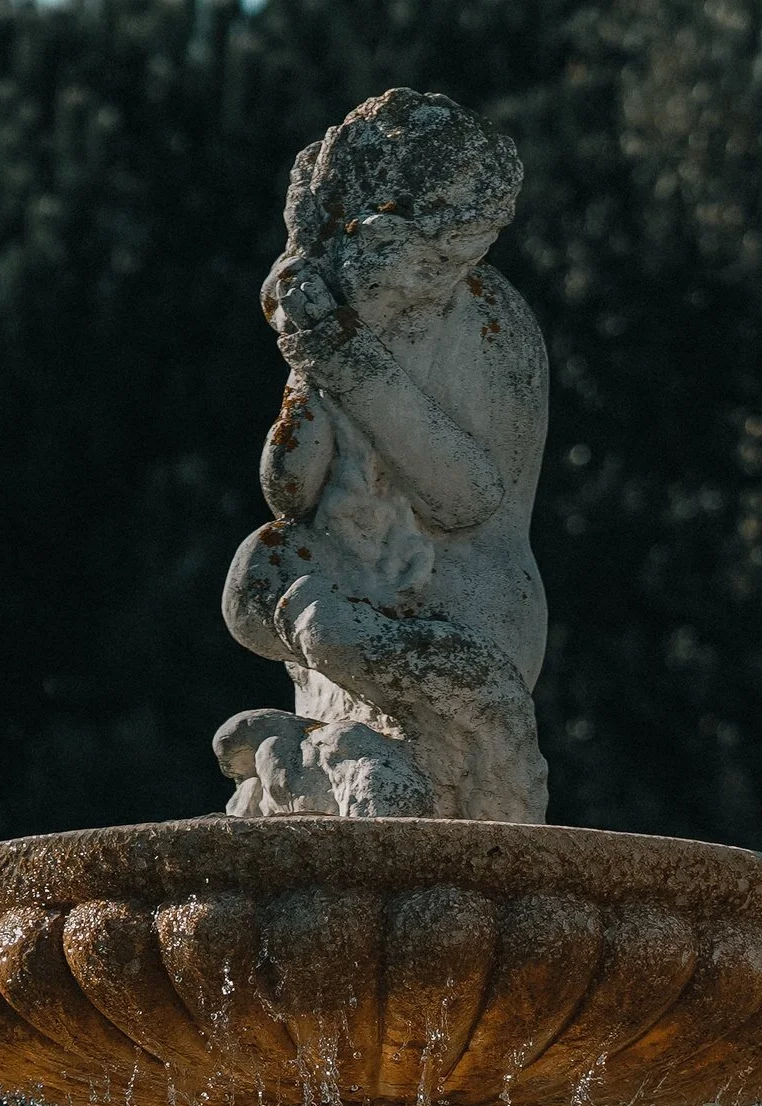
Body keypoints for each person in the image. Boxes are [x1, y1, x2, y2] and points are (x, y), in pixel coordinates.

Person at [215, 87, 548, 824]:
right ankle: (332, 725)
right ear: (359, 239)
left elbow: (464, 500)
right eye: (426, 261)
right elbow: (288, 492)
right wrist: (309, 370)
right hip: (348, 575)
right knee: (256, 569)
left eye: (458, 262)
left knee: (340, 631)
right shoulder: (337, 316)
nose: (439, 282)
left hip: (461, 597)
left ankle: (374, 722)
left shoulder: (490, 323)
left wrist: (348, 363)